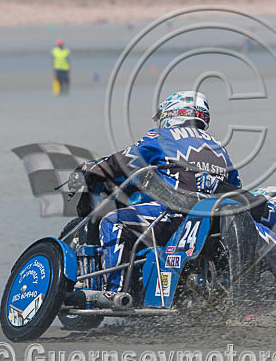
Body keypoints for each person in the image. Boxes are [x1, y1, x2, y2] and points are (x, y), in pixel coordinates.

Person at [72, 91, 241, 292]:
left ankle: (114, 292)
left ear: (173, 113)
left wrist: (90, 169)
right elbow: (235, 188)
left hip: (175, 217)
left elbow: (124, 161)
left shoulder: (163, 136)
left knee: (113, 221)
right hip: (209, 223)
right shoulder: (219, 149)